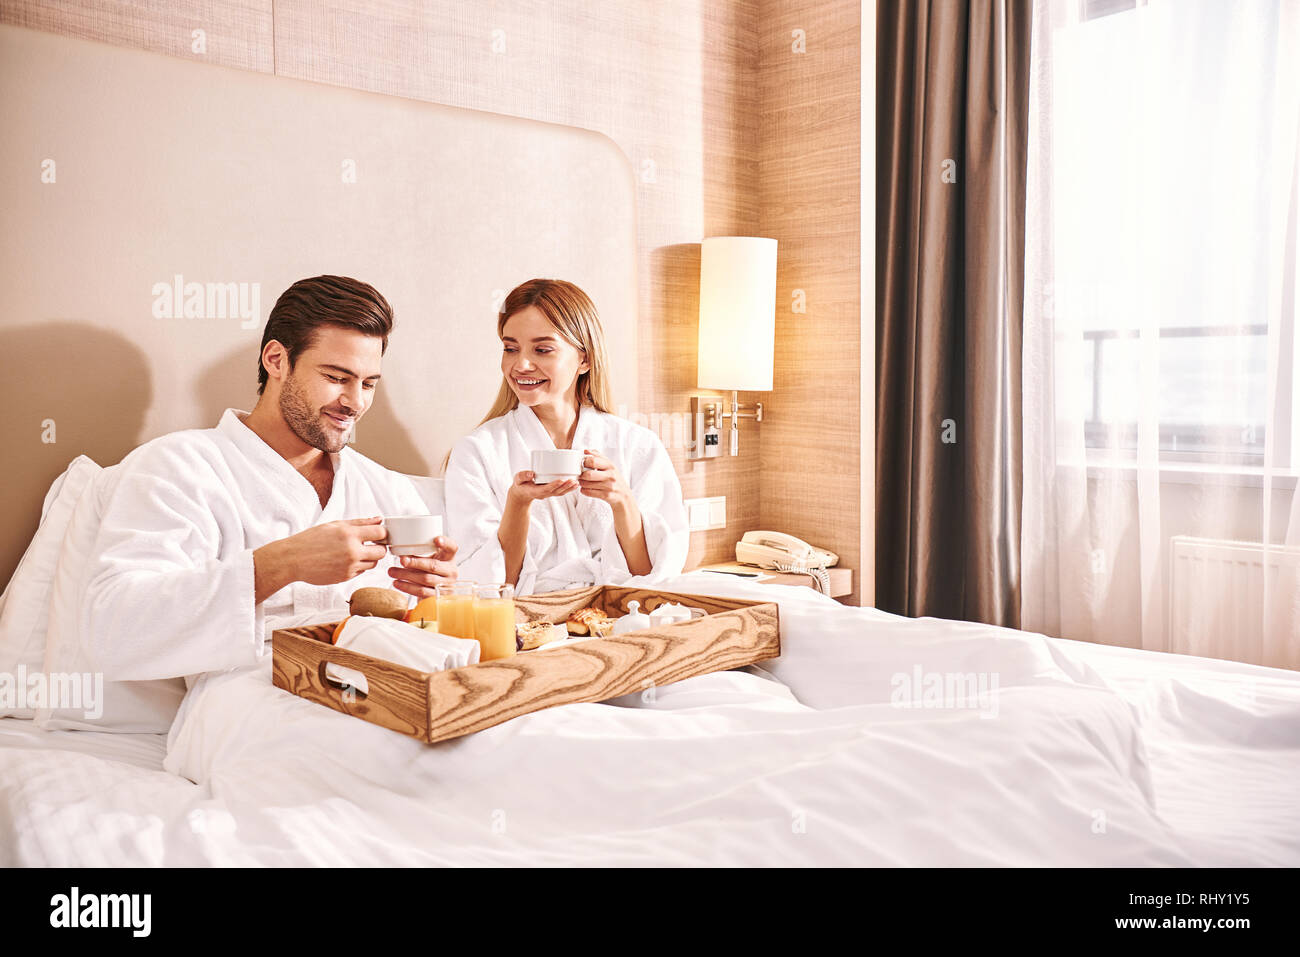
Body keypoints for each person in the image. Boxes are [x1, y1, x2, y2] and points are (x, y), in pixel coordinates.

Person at [79, 275, 458, 684]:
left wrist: (436, 594)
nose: (356, 402)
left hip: (386, 688)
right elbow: (112, 633)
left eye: (368, 384)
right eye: (336, 378)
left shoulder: (387, 489)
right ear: (276, 360)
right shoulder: (179, 466)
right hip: (254, 700)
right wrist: (282, 563)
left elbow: (423, 628)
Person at [445, 278, 688, 594]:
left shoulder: (637, 446)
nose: (521, 365)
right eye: (510, 348)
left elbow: (651, 578)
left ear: (584, 359)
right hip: (527, 624)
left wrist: (622, 501)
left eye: (542, 349)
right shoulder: (477, 453)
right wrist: (517, 504)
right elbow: (487, 587)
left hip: (618, 617)